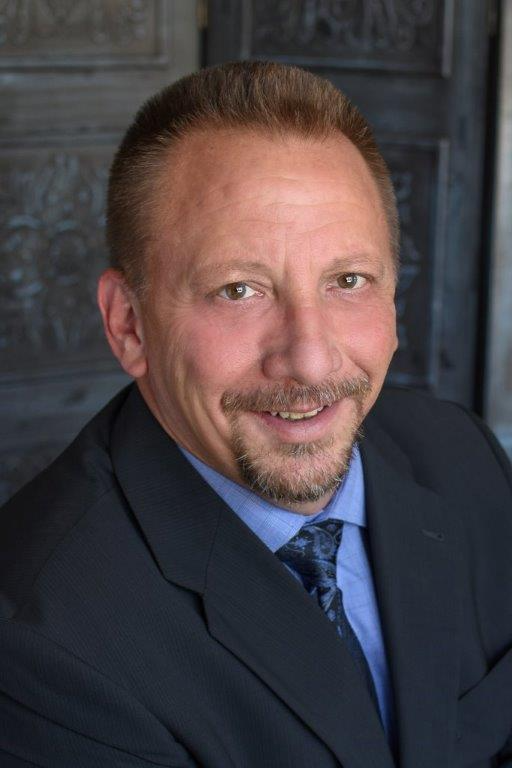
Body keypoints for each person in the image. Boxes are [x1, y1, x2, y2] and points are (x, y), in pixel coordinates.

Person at [0, 61, 511, 768]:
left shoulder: (463, 457)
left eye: (348, 281)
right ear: (129, 326)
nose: (308, 359)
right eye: (238, 289)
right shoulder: (40, 643)